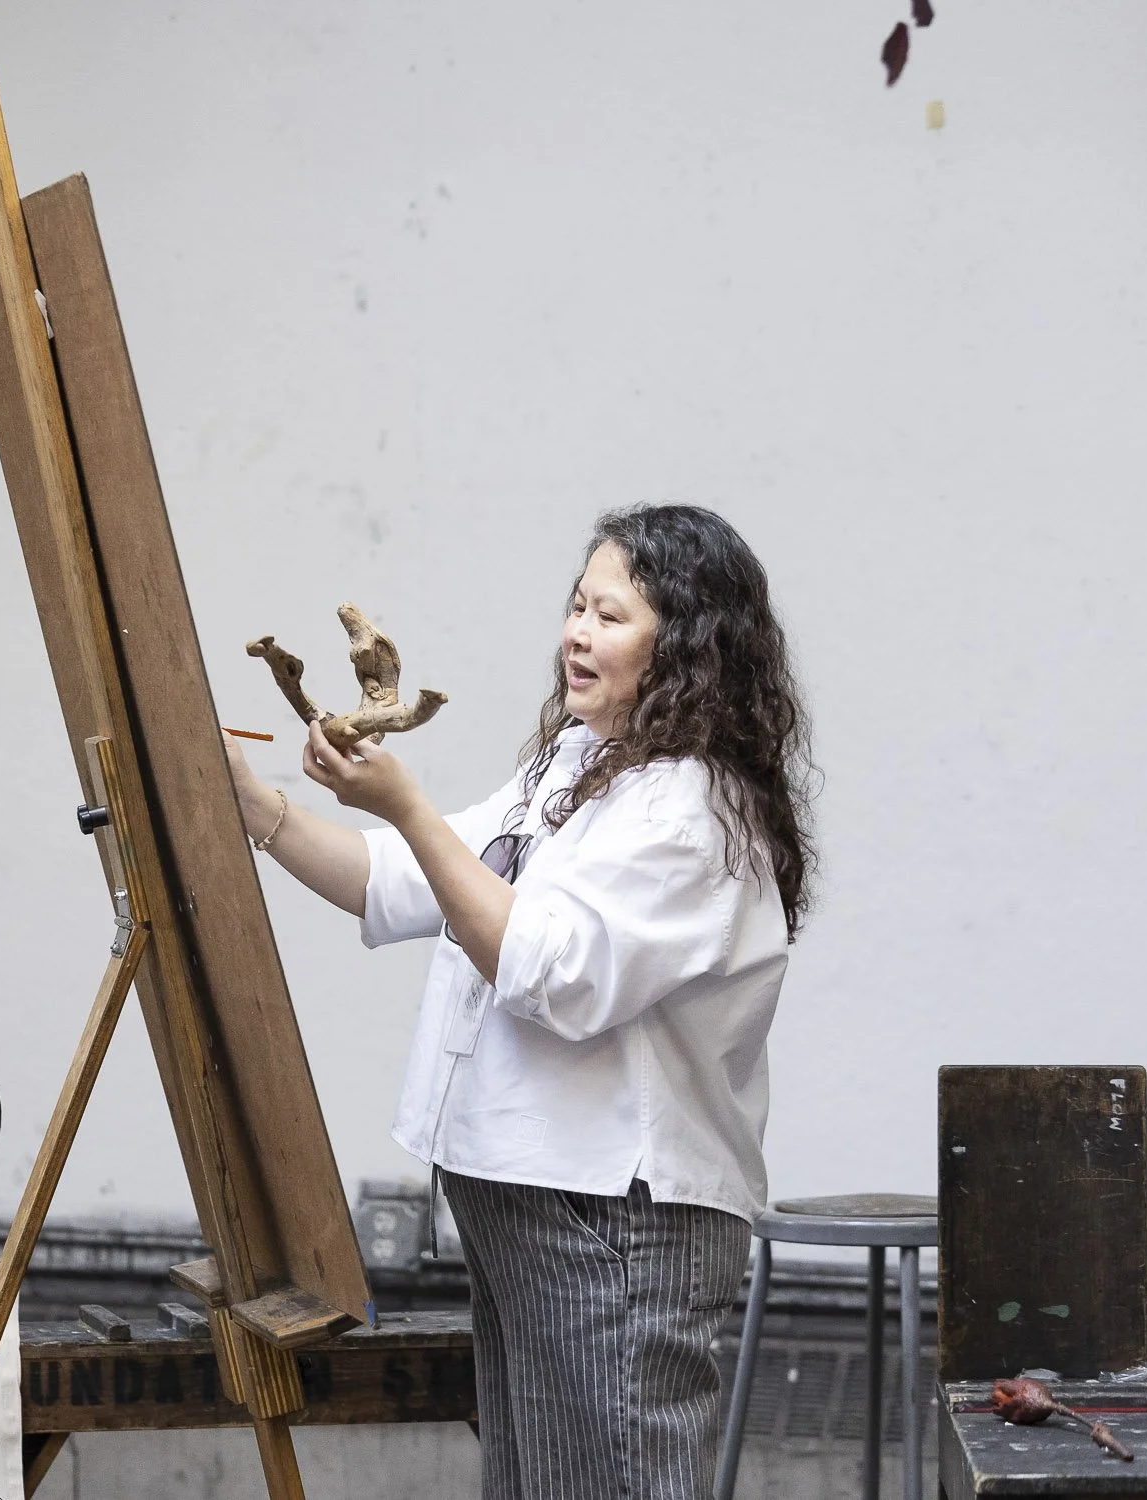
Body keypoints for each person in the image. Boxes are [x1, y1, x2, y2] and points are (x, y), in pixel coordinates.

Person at [225, 504, 813, 1499]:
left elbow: (547, 975)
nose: (577, 634)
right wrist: (254, 803)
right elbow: (398, 881)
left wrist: (407, 805)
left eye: (610, 616)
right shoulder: (577, 766)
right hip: (535, 1207)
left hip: (617, 1222)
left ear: (689, 644)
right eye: (577, 606)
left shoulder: (692, 810)